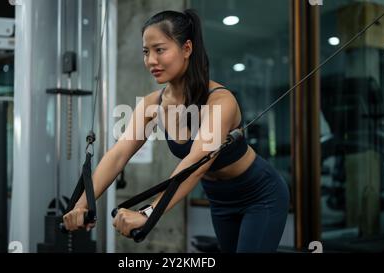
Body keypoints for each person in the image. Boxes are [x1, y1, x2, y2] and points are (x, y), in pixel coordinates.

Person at [63, 9, 290, 253]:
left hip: (260, 194)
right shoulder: (152, 104)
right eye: (146, 52)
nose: (151, 60)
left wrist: (148, 212)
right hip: (219, 197)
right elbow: (118, 154)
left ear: (187, 49)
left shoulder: (220, 101)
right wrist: (82, 204)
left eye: (159, 50)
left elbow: (196, 163)